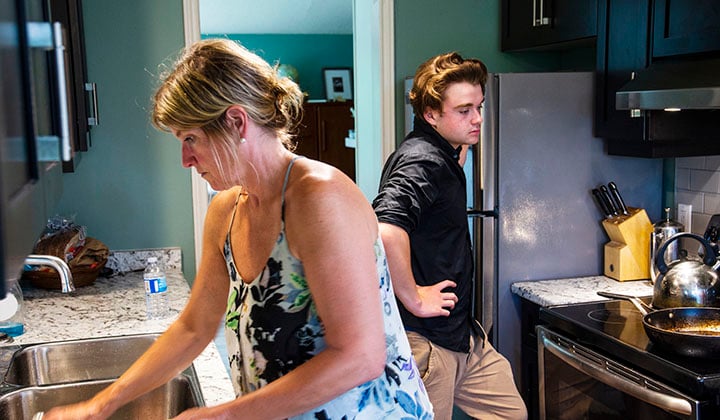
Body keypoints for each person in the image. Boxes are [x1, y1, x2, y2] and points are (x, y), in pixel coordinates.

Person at [44, 38, 433, 420]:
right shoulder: (226, 210)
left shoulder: (319, 198)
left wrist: (223, 416)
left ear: (236, 122)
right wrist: (102, 404)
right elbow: (194, 327)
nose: (185, 159)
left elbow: (359, 357)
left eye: (191, 138)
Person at [372, 52, 527, 420]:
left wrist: (459, 153)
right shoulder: (423, 159)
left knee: (511, 413)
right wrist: (414, 297)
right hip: (427, 343)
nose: (477, 119)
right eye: (463, 110)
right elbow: (385, 227)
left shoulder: (443, 154)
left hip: (461, 336)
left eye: (479, 107)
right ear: (431, 114)